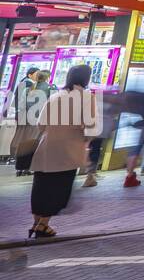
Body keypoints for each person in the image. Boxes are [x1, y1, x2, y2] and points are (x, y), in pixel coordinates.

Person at [28, 65, 97, 239]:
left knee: (41, 186)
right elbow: (92, 129)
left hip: (47, 147)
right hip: (69, 150)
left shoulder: (55, 96)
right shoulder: (87, 98)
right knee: (59, 187)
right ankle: (43, 225)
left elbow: (41, 124)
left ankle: (36, 223)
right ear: (86, 79)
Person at [11, 67, 43, 176]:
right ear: (30, 75)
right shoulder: (30, 85)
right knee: (29, 142)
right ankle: (25, 167)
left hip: (22, 117)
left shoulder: (22, 84)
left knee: (22, 141)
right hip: (30, 119)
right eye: (37, 74)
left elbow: (18, 103)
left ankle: (20, 167)